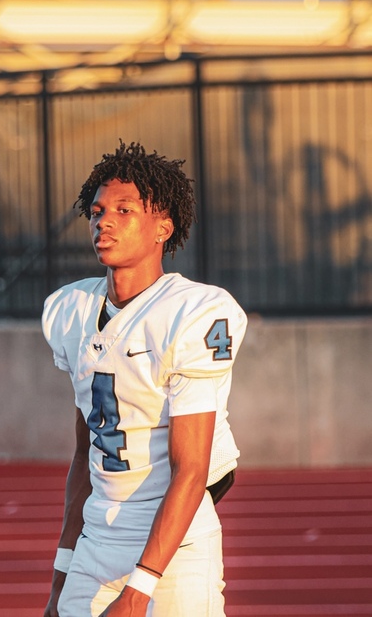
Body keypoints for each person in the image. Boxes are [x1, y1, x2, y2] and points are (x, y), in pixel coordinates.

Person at [41, 141, 247, 617]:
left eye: (124, 210)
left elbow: (191, 469)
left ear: (163, 228)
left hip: (174, 550)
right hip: (96, 540)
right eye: (97, 212)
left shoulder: (194, 312)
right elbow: (85, 454)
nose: (104, 222)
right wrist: (61, 575)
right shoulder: (70, 311)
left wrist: (138, 592)